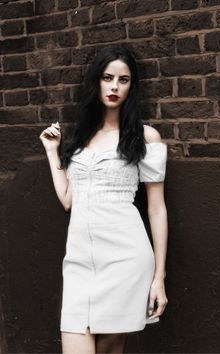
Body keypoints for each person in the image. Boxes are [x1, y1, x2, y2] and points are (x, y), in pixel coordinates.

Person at [39, 45, 168, 354]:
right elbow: (69, 200)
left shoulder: (145, 138)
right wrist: (51, 152)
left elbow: (156, 208)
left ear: (131, 86)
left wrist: (158, 278)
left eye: (123, 80)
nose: (114, 87)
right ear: (96, 81)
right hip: (79, 261)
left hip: (126, 260)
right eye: (107, 78)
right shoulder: (80, 139)